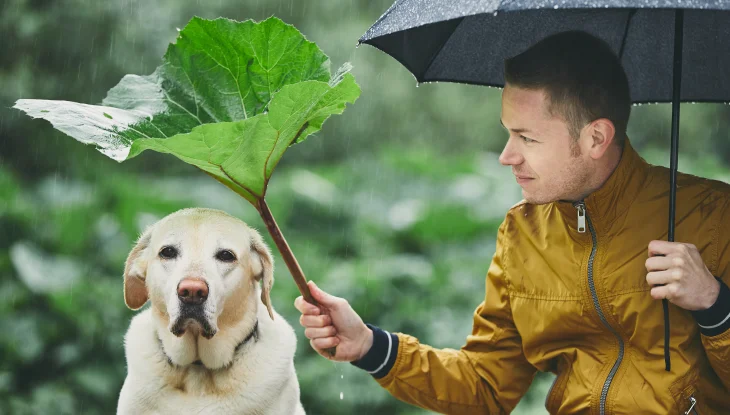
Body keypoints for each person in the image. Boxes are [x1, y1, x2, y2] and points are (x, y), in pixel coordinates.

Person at [294, 31, 730, 414]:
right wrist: (372, 347)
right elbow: (485, 386)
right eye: (508, 132)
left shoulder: (714, 215)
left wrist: (716, 306)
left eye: (527, 137)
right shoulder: (523, 234)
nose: (507, 155)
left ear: (596, 137)